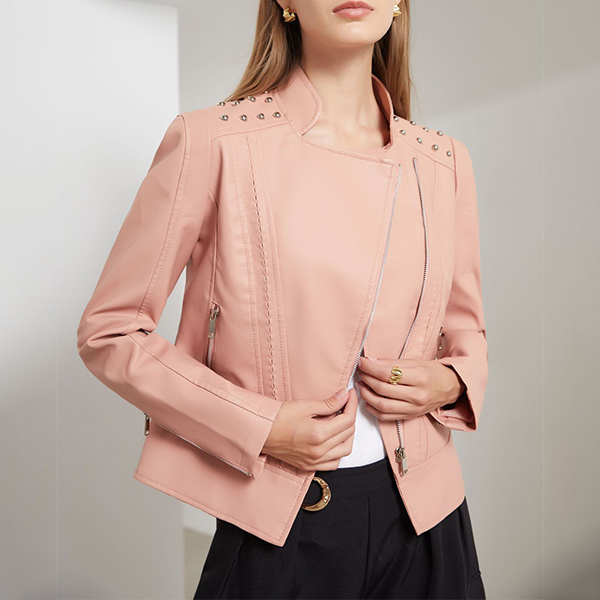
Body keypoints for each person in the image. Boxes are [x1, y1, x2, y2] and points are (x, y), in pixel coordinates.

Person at [77, 0, 489, 598]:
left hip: (428, 519)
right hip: (282, 522)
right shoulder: (213, 142)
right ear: (285, 4)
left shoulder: (442, 161)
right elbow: (110, 331)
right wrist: (261, 426)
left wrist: (447, 382)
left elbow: (466, 330)